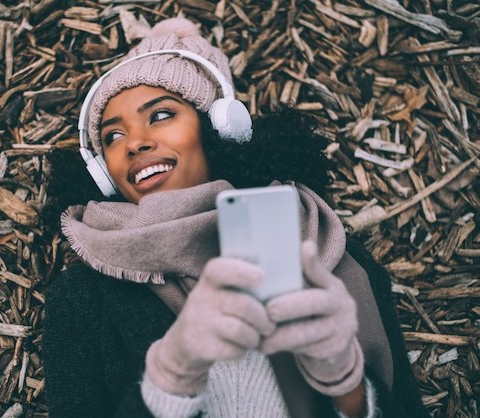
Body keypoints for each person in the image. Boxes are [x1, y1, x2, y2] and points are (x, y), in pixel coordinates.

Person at [42, 17, 428, 418]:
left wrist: (347, 389)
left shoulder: (339, 259)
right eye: (113, 136)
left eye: (159, 115)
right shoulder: (80, 299)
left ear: (217, 130)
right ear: (102, 173)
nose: (136, 142)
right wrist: (169, 379)